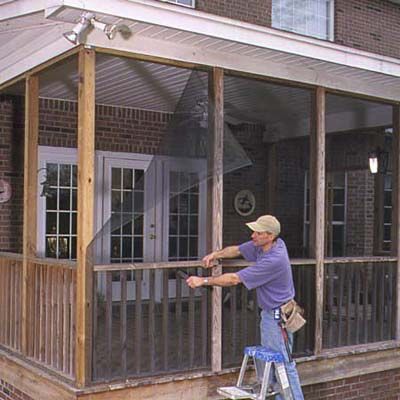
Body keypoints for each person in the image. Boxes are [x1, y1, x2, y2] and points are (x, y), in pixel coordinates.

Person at [186, 214, 304, 400]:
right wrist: (216, 254)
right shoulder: (270, 245)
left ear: (270, 235)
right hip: (270, 315)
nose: (252, 236)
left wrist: (203, 281)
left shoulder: (273, 259)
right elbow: (237, 250)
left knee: (284, 365)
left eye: (258, 233)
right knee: (273, 365)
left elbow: (234, 279)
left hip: (277, 318)